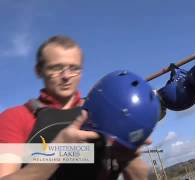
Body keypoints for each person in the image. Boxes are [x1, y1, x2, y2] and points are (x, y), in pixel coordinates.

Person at [0, 35, 149, 179]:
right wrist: (60, 151)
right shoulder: (15, 118)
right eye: (56, 67)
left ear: (81, 71)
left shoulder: (102, 112)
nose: (66, 76)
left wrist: (128, 159)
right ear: (39, 70)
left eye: (73, 68)